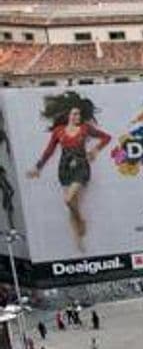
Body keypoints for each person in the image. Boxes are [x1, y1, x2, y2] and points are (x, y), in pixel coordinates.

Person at [25, 91, 111, 249]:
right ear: (68, 115)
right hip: (64, 168)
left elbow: (106, 137)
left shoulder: (85, 128)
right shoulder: (58, 131)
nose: (77, 116)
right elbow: (49, 151)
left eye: (79, 114)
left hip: (81, 167)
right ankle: (79, 239)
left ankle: (80, 221)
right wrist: (38, 167)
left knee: (67, 199)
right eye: (74, 113)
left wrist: (95, 150)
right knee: (72, 205)